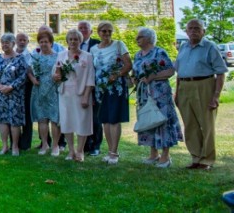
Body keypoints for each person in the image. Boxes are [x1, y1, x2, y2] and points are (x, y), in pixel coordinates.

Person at [175, 18, 227, 170]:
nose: (193, 31)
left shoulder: (210, 47)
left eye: (197, 28)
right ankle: (196, 157)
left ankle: (207, 160)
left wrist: (216, 96)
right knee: (190, 125)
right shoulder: (183, 47)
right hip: (184, 86)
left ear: (204, 31)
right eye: (190, 28)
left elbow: (221, 73)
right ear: (186, 31)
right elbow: (179, 72)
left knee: (206, 125)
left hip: (204, 85)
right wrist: (177, 93)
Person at [133, 27, 183, 168]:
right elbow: (136, 72)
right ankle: (153, 154)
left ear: (149, 38)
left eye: (140, 37)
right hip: (144, 93)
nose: (137, 39)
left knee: (162, 121)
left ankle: (166, 156)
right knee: (149, 120)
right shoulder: (138, 55)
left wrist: (154, 77)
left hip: (159, 92)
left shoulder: (159, 52)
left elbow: (170, 70)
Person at [90, 21, 132, 165]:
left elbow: (128, 64)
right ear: (98, 32)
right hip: (100, 88)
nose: (106, 34)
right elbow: (92, 69)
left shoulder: (119, 45)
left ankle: (115, 152)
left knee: (114, 119)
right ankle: (109, 151)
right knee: (105, 120)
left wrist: (117, 75)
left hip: (116, 87)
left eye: (109, 31)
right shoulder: (94, 49)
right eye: (103, 31)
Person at [53, 29, 95, 162]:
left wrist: (86, 96)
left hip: (81, 93)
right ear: (67, 41)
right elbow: (55, 74)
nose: (73, 41)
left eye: (75, 39)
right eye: (70, 39)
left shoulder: (87, 56)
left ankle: (80, 150)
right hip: (65, 93)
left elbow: (90, 77)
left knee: (82, 122)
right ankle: (71, 150)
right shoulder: (61, 55)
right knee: (67, 121)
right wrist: (55, 76)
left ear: (80, 41)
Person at [0, 33, 27, 156]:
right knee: (3, 120)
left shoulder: (20, 58)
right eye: (3, 42)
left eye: (7, 42)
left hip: (15, 95)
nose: (4, 44)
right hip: (1, 95)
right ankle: (5, 146)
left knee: (14, 121)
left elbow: (23, 76)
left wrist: (11, 86)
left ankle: (15, 147)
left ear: (13, 43)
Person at [28, 31, 60, 156]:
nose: (43, 44)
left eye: (46, 41)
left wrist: (58, 76)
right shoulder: (35, 56)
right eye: (41, 42)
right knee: (42, 119)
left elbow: (62, 71)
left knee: (54, 119)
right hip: (39, 89)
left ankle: (56, 146)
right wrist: (32, 79)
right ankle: (45, 144)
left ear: (51, 43)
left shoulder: (58, 56)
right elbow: (29, 71)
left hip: (53, 90)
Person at [79, 20, 102, 156]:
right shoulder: (74, 45)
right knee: (82, 117)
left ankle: (96, 145)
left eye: (85, 28)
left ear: (91, 31)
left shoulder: (97, 45)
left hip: (94, 86)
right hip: (79, 87)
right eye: (80, 28)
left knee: (95, 118)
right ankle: (85, 144)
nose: (82, 30)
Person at [15, 31, 34, 151]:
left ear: (28, 42)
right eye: (20, 40)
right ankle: (15, 142)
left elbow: (30, 72)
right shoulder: (11, 54)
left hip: (27, 87)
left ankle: (26, 144)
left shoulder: (31, 55)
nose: (22, 42)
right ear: (16, 41)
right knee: (15, 115)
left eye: (24, 40)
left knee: (27, 115)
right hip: (14, 89)